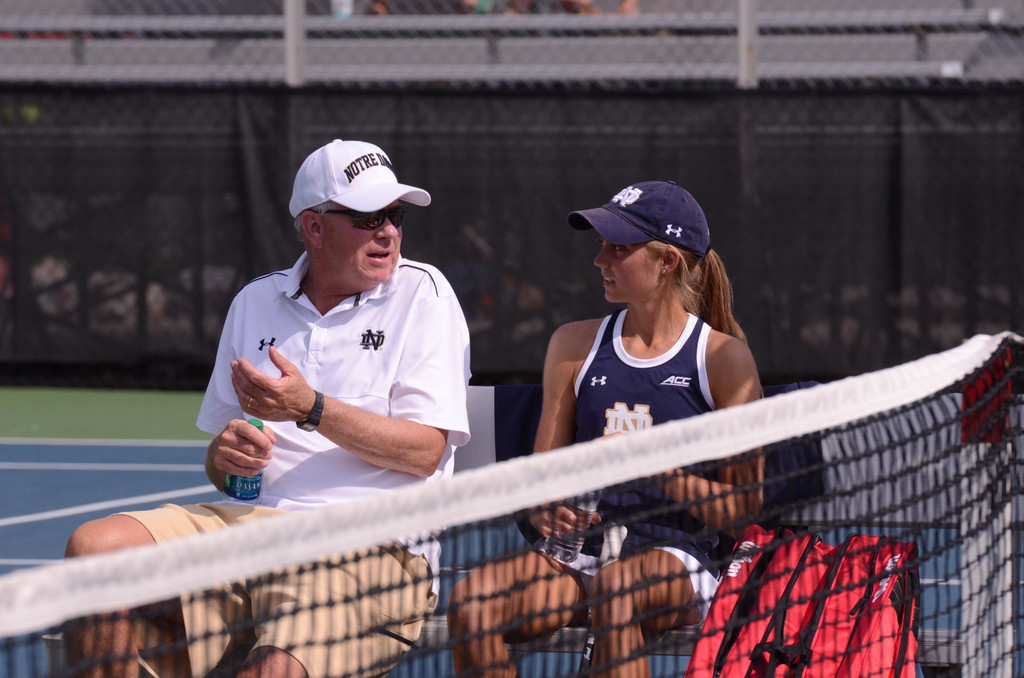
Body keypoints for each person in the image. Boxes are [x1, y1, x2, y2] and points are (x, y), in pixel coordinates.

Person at [63, 139, 472, 678]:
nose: (389, 231)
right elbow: (221, 464)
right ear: (315, 227)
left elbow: (426, 453)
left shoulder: (426, 295)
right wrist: (227, 456)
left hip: (373, 550)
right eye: (369, 216)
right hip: (250, 530)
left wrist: (312, 408)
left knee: (271, 671)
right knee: (94, 550)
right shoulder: (254, 302)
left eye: (394, 215)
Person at [446, 181, 762, 678]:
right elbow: (542, 478)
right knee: (472, 603)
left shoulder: (723, 358)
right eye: (600, 246)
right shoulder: (572, 343)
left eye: (619, 248)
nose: (601, 260)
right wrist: (548, 507)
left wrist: (654, 467)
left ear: (666, 262)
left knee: (618, 592)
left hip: (680, 558)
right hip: (580, 558)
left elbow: (743, 511)